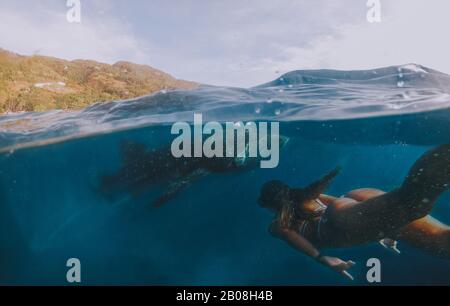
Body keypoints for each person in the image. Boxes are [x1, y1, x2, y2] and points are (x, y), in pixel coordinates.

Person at [258, 143, 450, 280]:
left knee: (412, 201)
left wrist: (321, 257)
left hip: (339, 224)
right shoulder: (305, 199)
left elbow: (289, 234)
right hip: (350, 204)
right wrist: (382, 231)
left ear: (268, 205)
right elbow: (338, 203)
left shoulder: (276, 225)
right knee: (439, 240)